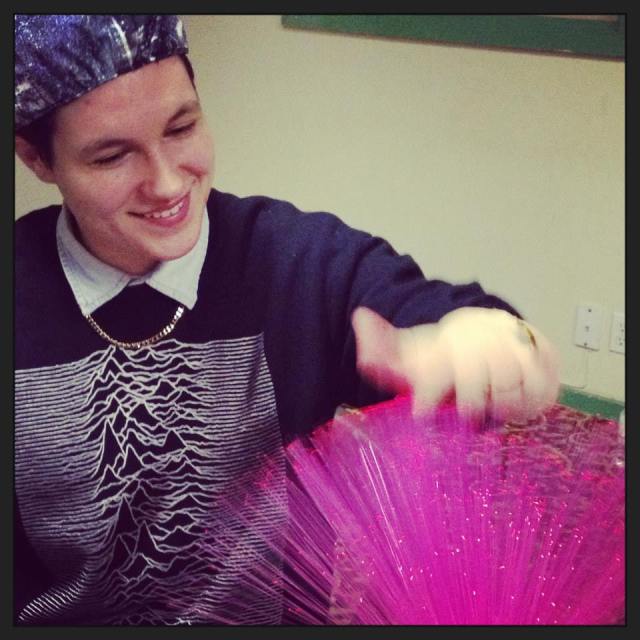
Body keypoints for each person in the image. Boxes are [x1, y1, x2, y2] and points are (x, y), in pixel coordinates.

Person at [14, 15, 559, 625]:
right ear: (37, 158)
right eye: (112, 156)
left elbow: (458, 317)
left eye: (183, 127)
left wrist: (494, 344)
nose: (168, 183)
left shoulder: (301, 260)